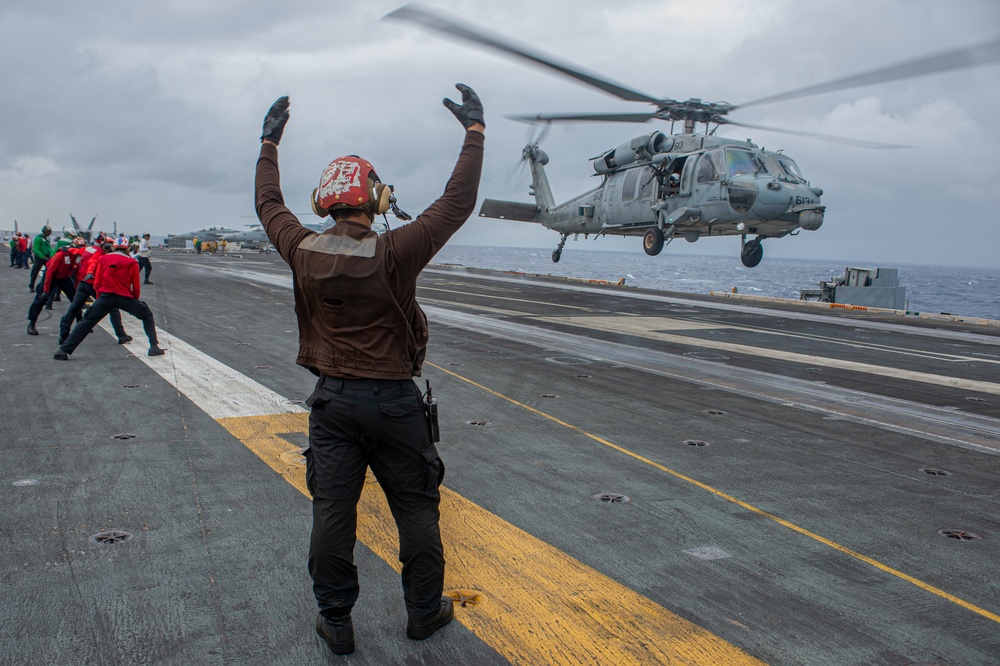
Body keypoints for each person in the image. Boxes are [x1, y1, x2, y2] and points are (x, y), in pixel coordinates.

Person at [255, 85, 484, 655]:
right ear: (376, 199)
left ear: (323, 201)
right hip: (394, 404)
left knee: (333, 513)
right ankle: (423, 613)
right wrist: (474, 134)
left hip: (331, 404)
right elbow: (455, 203)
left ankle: (336, 622)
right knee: (415, 510)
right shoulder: (394, 249)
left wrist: (269, 143)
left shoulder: (301, 247)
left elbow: (268, 205)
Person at [55, 240, 164, 360]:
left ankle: (63, 351)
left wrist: (100, 297)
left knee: (86, 322)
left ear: (114, 247)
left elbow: (97, 283)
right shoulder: (132, 262)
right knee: (146, 315)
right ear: (127, 248)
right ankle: (154, 347)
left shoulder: (103, 259)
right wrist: (134, 302)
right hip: (124, 297)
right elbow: (136, 286)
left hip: (105, 296)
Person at [60, 236, 131, 346]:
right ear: (106, 246)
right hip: (93, 284)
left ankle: (63, 335)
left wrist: (68, 249)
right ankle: (121, 335)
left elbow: (78, 251)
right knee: (113, 309)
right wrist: (90, 273)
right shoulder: (99, 254)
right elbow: (93, 263)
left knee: (73, 309)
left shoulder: (90, 249)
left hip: (82, 283)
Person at [26, 242, 80, 335]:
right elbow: (49, 273)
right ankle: (31, 324)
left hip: (65, 278)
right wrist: (46, 290)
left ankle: (80, 322)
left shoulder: (78, 257)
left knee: (76, 299)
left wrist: (76, 288)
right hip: (52, 277)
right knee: (40, 299)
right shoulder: (60, 255)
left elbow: (77, 272)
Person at [29, 226, 54, 291]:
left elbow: (49, 248)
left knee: (50, 271)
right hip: (39, 258)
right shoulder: (38, 238)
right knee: (35, 271)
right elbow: (36, 250)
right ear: (44, 232)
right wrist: (43, 257)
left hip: (47, 256)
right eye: (48, 232)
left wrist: (52, 255)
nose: (49, 234)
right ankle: (31, 285)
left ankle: (46, 287)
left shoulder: (47, 238)